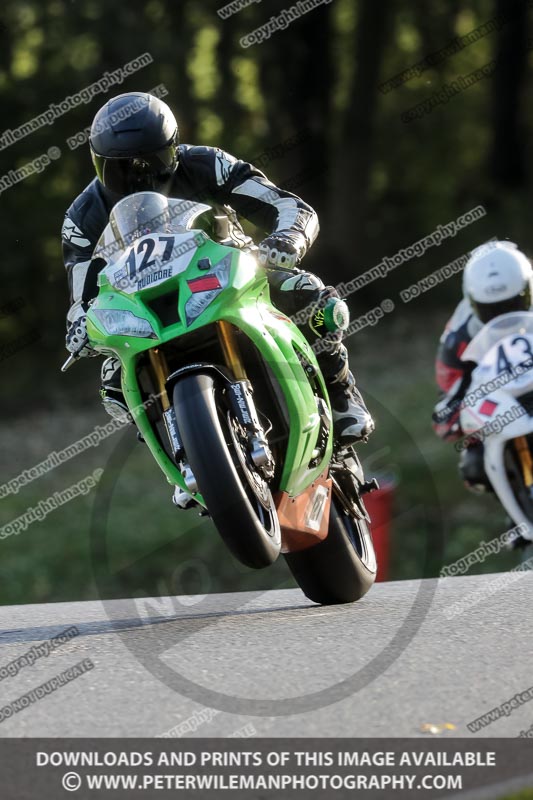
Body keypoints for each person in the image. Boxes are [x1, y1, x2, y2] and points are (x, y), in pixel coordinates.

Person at [62, 92, 374, 504]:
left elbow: (287, 206)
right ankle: (184, 454)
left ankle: (340, 397)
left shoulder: (207, 163)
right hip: (143, 304)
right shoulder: (82, 217)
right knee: (112, 383)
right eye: (119, 168)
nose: (137, 176)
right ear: (98, 164)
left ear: (172, 149)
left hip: (227, 273)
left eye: (149, 163)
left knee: (312, 297)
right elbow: (82, 291)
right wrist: (78, 325)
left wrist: (287, 238)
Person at [432, 240, 533, 491]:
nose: (503, 316)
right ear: (472, 301)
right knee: (474, 465)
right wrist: (462, 419)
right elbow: (446, 405)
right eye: (492, 309)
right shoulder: (458, 336)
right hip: (502, 412)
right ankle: (519, 517)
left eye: (512, 303)